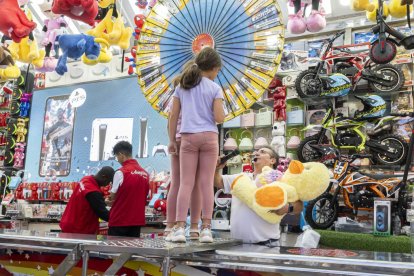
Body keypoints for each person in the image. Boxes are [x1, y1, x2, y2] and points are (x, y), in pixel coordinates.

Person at [168, 47, 225, 243]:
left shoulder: (182, 87)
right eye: (217, 71)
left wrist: (170, 141)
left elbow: (173, 117)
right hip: (209, 137)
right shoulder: (215, 88)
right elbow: (219, 117)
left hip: (187, 138)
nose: (217, 74)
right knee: (205, 183)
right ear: (214, 68)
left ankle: (179, 229)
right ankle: (206, 229)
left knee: (185, 183)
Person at [214, 146, 303, 245]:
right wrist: (216, 169)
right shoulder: (241, 177)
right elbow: (217, 182)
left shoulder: (280, 179)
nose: (256, 153)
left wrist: (287, 208)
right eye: (256, 152)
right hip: (237, 245)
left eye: (262, 152)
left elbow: (299, 205)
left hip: (268, 245)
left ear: (272, 160)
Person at [165, 61, 202, 241]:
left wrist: (171, 139)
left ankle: (170, 226)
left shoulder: (178, 91)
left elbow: (170, 119)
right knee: (195, 185)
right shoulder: (198, 93)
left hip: (178, 139)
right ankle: (195, 227)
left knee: (177, 184)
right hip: (193, 139)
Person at [108, 141, 149, 237]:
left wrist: (108, 200)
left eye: (117, 157)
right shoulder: (145, 174)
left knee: (114, 251)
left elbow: (112, 197)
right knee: (132, 250)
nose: (117, 160)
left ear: (121, 154)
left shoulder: (120, 172)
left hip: (119, 221)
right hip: (137, 221)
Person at [60, 166, 115, 234]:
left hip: (69, 223)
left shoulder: (85, 179)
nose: (107, 184)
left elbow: (88, 200)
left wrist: (103, 200)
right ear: (104, 177)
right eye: (108, 181)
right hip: (78, 230)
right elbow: (102, 213)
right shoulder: (93, 191)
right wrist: (119, 219)